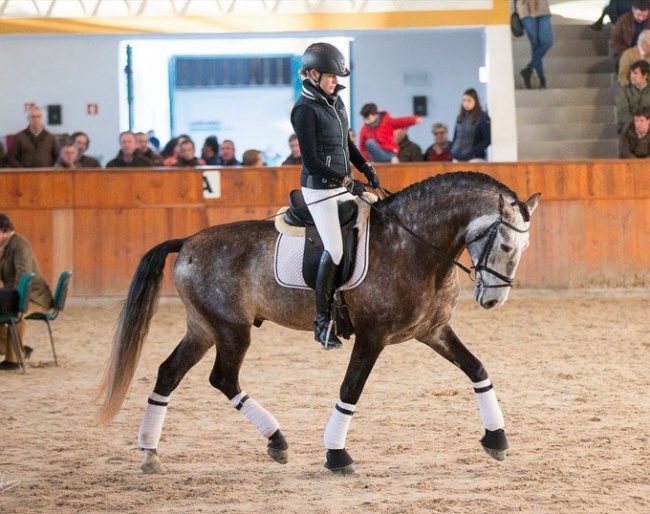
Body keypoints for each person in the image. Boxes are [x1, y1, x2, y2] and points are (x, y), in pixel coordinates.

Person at [290, 42, 380, 349]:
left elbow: (346, 144)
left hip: (343, 184)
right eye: (330, 76)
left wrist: (365, 166)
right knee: (336, 249)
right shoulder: (304, 110)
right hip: (318, 189)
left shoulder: (336, 103)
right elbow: (312, 160)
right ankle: (322, 322)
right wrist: (345, 180)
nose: (335, 81)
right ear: (314, 74)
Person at [0, 213, 53, 370]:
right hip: (17, 294)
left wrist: (12, 299)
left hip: (34, 296)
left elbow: (23, 275)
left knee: (16, 314)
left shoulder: (20, 244)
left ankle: (14, 359)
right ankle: (20, 349)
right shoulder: (5, 247)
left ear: (3, 230)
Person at [517, 0, 553, 89]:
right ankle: (542, 79)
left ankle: (529, 69)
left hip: (542, 6)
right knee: (535, 45)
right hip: (525, 8)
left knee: (547, 42)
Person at [450, 88, 491, 162]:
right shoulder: (460, 117)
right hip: (457, 155)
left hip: (474, 157)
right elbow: (455, 136)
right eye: (464, 100)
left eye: (469, 100)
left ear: (475, 101)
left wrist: (474, 151)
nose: (466, 103)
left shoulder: (482, 117)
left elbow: (487, 139)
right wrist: (452, 150)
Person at [616, 60, 650, 132]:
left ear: (645, 75)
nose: (632, 76)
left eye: (635, 73)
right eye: (631, 73)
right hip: (630, 127)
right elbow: (623, 112)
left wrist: (646, 125)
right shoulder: (624, 91)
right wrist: (638, 125)